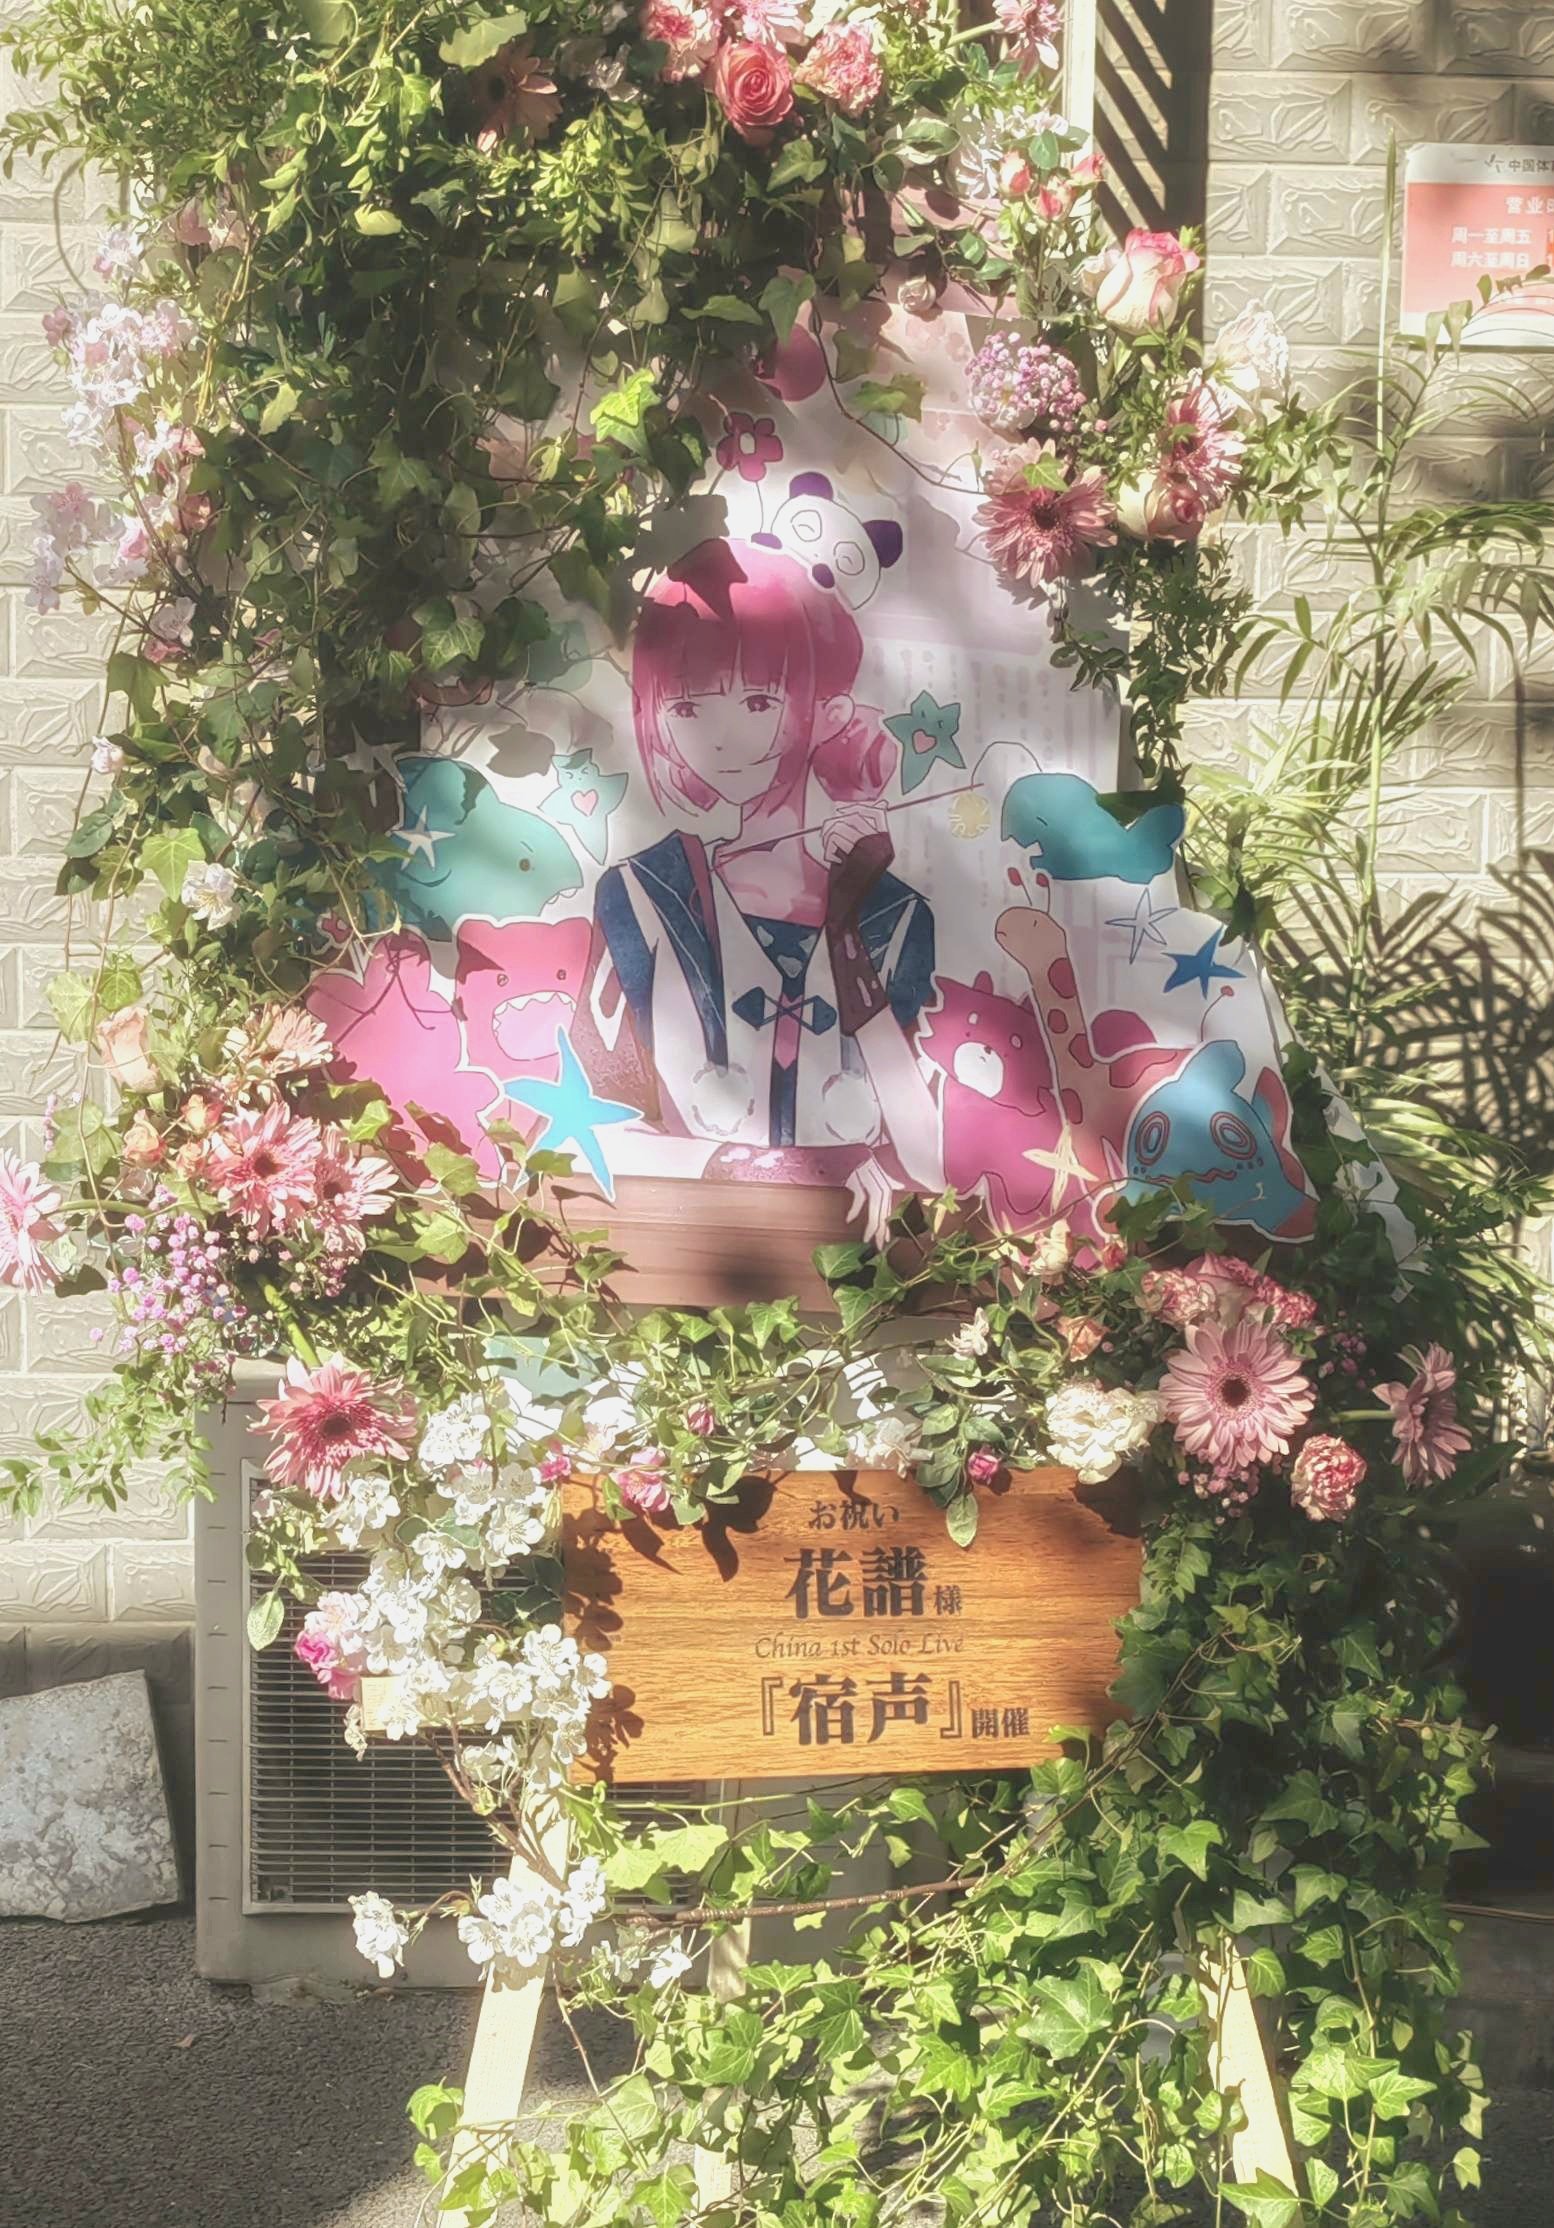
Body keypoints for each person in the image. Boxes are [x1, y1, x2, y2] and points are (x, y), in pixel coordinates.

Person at [587, 536, 943, 1239]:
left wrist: (846, 937)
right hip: (682, 1256)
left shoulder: (894, 916)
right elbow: (593, 1121)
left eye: (756, 702)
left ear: (825, 711)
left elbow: (929, 1158)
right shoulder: (645, 895)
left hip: (859, 1278)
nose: (722, 739)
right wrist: (757, 1166)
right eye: (686, 709)